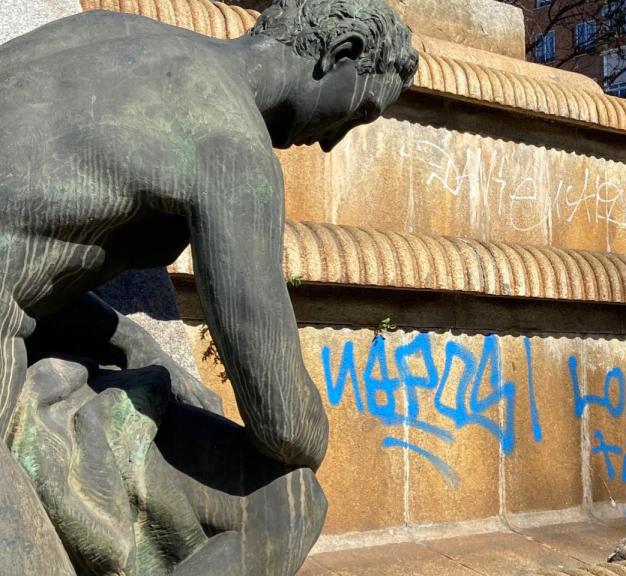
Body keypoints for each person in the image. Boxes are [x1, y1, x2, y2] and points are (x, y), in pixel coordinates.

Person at [0, 0, 418, 573]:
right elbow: (283, 426)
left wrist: (128, 338)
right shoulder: (229, 144)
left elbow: (24, 246)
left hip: (22, 344)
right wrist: (320, 434)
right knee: (289, 497)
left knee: (282, 506)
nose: (332, 140)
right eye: (358, 110)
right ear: (340, 55)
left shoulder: (109, 32)